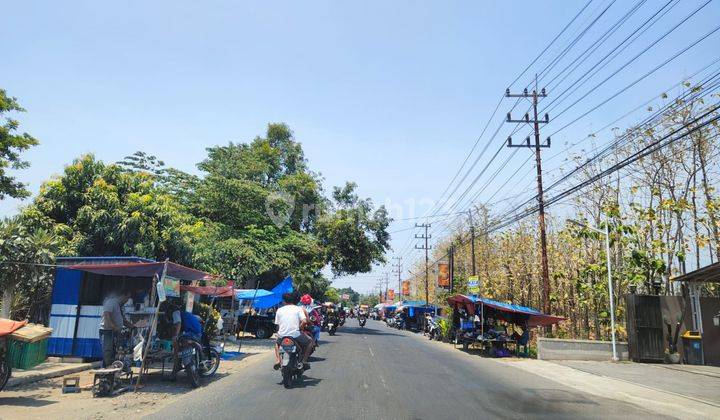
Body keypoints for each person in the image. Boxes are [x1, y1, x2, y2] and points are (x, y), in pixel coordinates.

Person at [273, 293, 312, 371]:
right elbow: (304, 321)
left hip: (282, 335)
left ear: (284, 301)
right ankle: (303, 361)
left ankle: (278, 360)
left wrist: (279, 333)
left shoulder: (279, 310)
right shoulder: (299, 309)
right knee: (310, 342)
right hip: (295, 335)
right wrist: (300, 329)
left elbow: (277, 325)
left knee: (277, 344)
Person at [98, 290, 132, 368]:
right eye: (127, 298)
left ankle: (111, 371)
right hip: (107, 331)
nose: (127, 301)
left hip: (114, 332)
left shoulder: (119, 306)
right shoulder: (111, 302)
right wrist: (114, 327)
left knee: (114, 352)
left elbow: (122, 319)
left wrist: (132, 326)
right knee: (107, 351)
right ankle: (105, 370)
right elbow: (107, 316)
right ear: (123, 296)